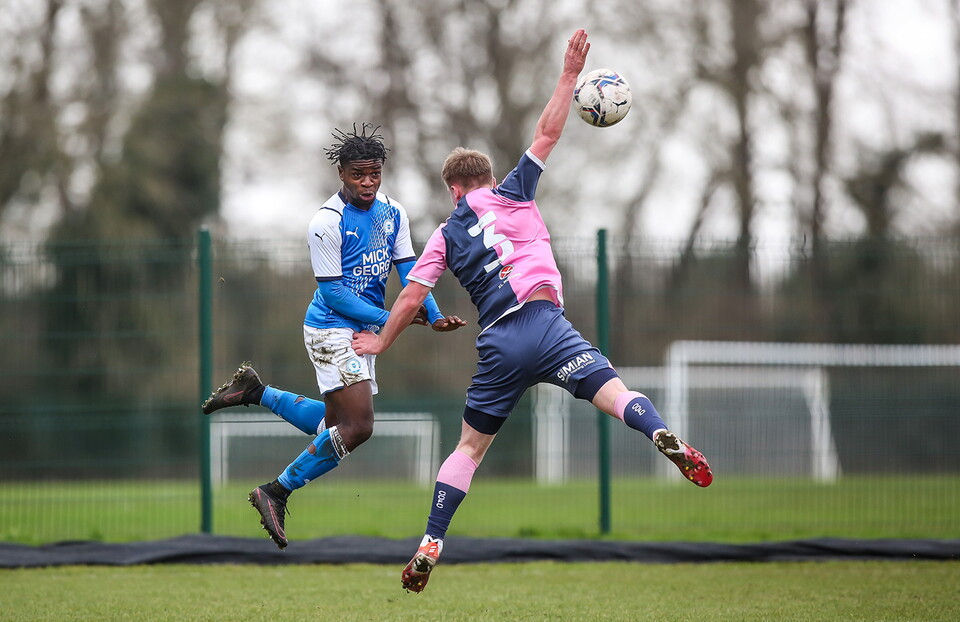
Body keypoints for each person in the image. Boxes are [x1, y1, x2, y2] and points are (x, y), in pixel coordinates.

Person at [351, 30, 713, 593]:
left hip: (499, 343)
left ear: (452, 190)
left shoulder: (446, 234)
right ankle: (663, 434)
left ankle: (431, 539)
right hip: (547, 325)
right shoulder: (515, 191)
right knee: (617, 395)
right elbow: (547, 131)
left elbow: (410, 296)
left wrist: (378, 343)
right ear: (489, 180)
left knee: (468, 450)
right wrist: (570, 75)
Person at [202, 124, 466, 550]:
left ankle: (255, 391)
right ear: (341, 172)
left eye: (374, 174)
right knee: (358, 427)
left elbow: (412, 273)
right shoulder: (327, 223)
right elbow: (334, 292)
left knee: (334, 425)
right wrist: (393, 317)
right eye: (358, 174)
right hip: (329, 328)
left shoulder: (394, 212)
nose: (367, 182)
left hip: (362, 331)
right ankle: (276, 490)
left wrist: (432, 316)